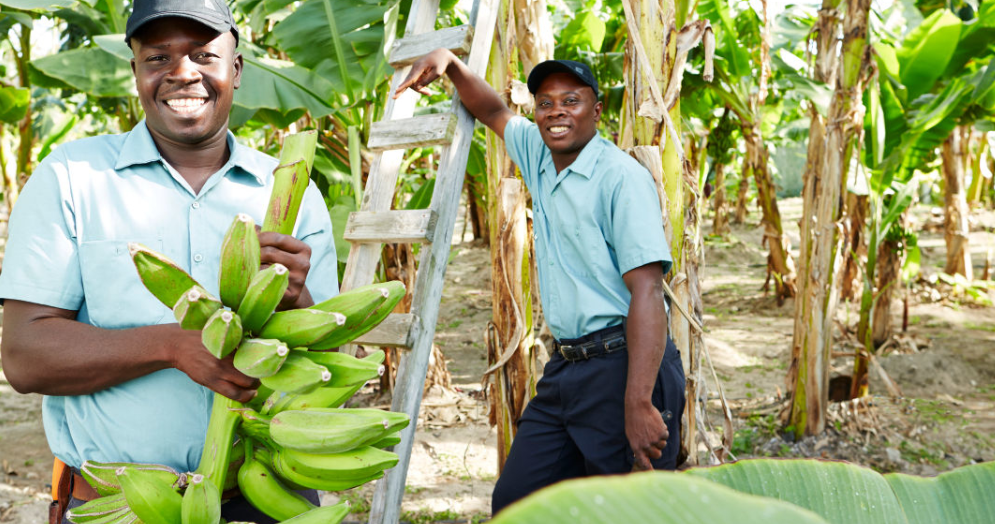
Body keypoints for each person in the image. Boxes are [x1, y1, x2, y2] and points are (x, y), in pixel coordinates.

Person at [0, 1, 338, 522]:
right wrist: (172, 347)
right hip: (121, 504)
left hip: (266, 494)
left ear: (236, 70)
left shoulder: (288, 192)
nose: (182, 72)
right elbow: (25, 357)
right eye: (158, 58)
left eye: (203, 55)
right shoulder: (72, 178)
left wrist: (296, 299)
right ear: (135, 71)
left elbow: (331, 362)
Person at [395, 49, 687, 514]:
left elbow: (648, 291)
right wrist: (450, 64)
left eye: (571, 101)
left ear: (597, 110)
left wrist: (638, 402)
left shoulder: (619, 178)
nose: (556, 113)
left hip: (624, 365)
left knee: (629, 511)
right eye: (545, 103)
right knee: (517, 503)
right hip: (567, 367)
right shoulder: (540, 155)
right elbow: (493, 110)